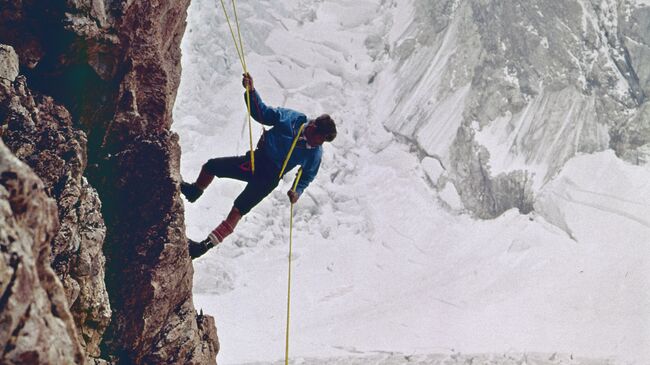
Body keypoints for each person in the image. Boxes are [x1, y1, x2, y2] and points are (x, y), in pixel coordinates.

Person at [181, 73, 337, 259]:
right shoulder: (292, 120)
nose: (319, 144)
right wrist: (251, 91)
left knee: (238, 210)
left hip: (268, 178)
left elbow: (307, 176)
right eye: (320, 139)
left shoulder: (315, 153)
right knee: (212, 166)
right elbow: (262, 113)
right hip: (255, 162)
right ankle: (194, 192)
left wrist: (297, 191)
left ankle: (202, 248)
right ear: (312, 127)